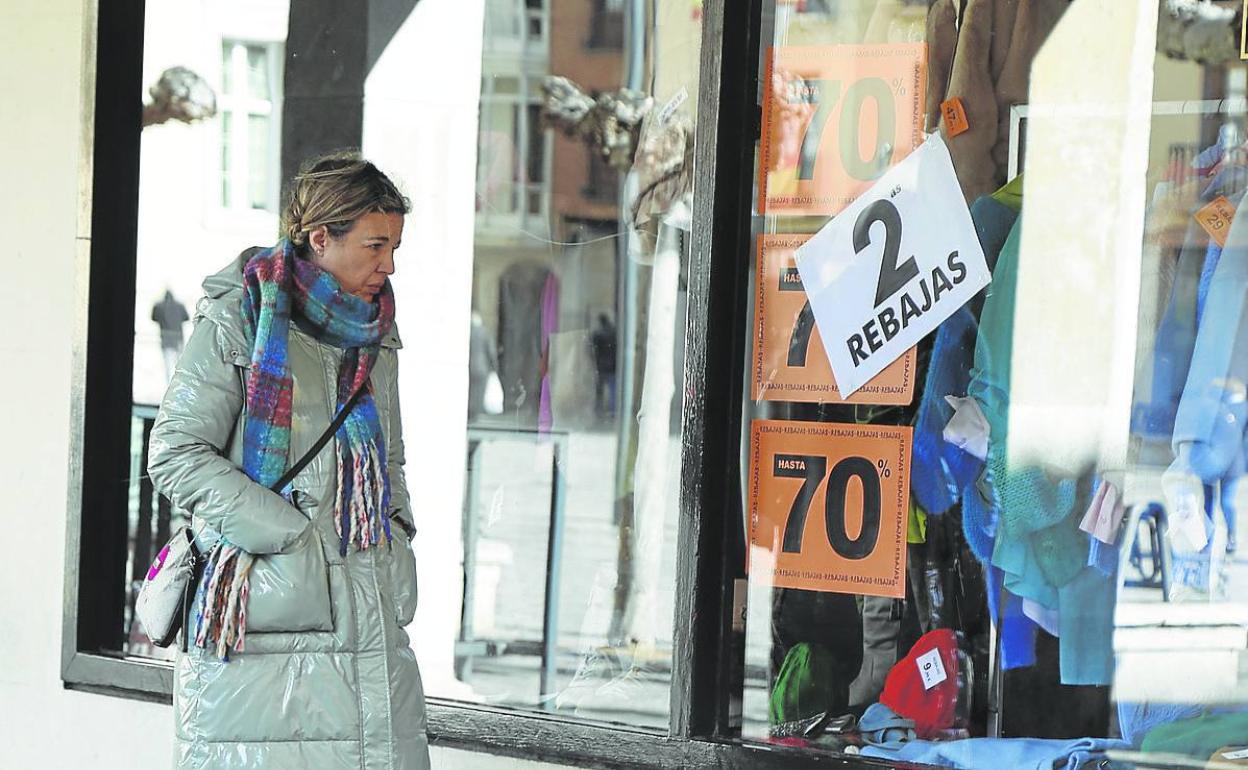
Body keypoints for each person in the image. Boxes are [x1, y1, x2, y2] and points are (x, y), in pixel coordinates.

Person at [147, 152, 429, 770]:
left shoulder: (377, 334)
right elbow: (175, 453)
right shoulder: (239, 319)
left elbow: (392, 461)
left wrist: (397, 540)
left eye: (395, 247)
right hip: (258, 622)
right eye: (375, 245)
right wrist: (288, 534)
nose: (388, 264)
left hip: (367, 615)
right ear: (320, 237)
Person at [151, 289, 189, 381]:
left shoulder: (158, 306)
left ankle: (169, 382)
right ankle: (179, 381)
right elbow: (186, 318)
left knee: (167, 364)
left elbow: (153, 318)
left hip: (165, 337)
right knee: (179, 362)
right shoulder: (180, 306)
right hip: (178, 336)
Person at [590, 312, 617, 420]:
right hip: (612, 367)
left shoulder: (598, 334)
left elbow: (593, 348)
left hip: (601, 366)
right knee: (612, 390)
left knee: (600, 390)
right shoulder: (613, 332)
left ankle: (599, 409)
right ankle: (612, 411)